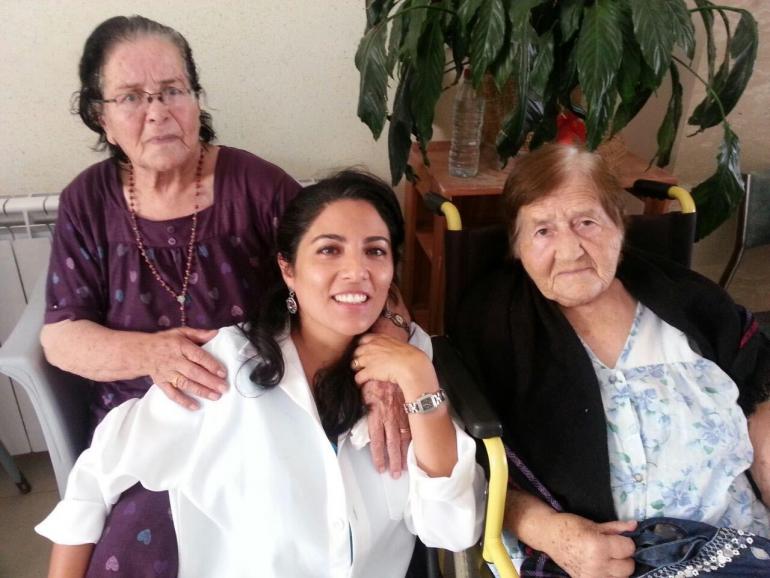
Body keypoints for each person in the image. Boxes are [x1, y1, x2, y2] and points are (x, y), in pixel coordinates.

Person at [40, 15, 413, 577]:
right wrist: (152, 355)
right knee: (144, 550)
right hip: (140, 434)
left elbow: (353, 275)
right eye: (132, 97)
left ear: (196, 99)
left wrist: (386, 359)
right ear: (101, 116)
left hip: (260, 410)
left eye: (173, 91)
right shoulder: (86, 204)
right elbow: (61, 335)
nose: (157, 111)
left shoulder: (258, 188)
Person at [36, 170, 484, 577]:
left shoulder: (413, 359)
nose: (356, 271)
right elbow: (96, 477)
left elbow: (451, 530)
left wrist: (421, 387)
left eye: (376, 251)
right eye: (329, 249)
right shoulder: (225, 368)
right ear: (288, 269)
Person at [454, 144, 770, 578]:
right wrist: (547, 530)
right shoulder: (493, 325)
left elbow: (760, 388)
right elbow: (471, 464)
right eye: (542, 230)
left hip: (740, 546)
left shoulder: (691, 301)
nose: (570, 251)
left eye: (587, 222)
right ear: (516, 246)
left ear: (620, 226)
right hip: (599, 563)